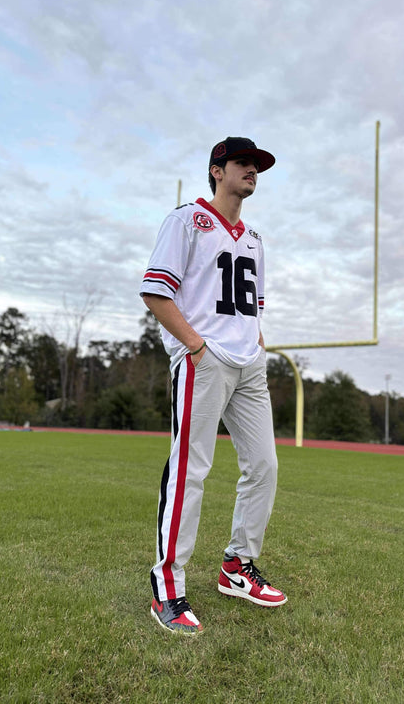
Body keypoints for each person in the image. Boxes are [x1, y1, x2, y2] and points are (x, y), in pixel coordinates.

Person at [140, 136, 287, 635]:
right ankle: (168, 588)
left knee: (264, 465)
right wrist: (196, 348)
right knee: (191, 470)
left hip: (249, 366)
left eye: (256, 166)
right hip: (205, 360)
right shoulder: (185, 220)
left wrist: (258, 347)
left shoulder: (255, 239)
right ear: (216, 170)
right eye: (243, 164)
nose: (252, 171)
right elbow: (155, 291)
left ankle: (236, 567)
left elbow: (253, 307)